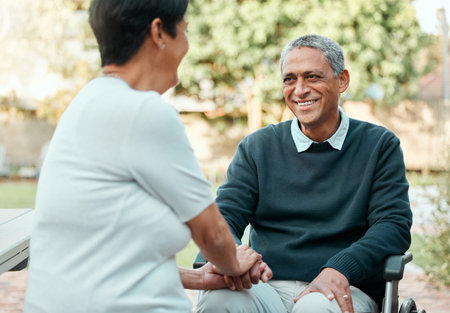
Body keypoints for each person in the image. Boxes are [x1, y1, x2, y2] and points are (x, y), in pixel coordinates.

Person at [23, 1, 264, 312]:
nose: (187, 46)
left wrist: (200, 278)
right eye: (185, 32)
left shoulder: (87, 101)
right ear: (159, 32)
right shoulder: (143, 112)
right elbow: (213, 234)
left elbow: (104, 252)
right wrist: (235, 263)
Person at [195, 34, 412, 313]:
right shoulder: (257, 147)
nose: (300, 90)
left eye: (312, 77)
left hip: (343, 285)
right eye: (290, 79)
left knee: (316, 309)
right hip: (267, 285)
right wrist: (233, 253)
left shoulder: (379, 145)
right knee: (218, 300)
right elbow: (224, 217)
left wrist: (341, 267)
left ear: (342, 80)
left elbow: (392, 226)